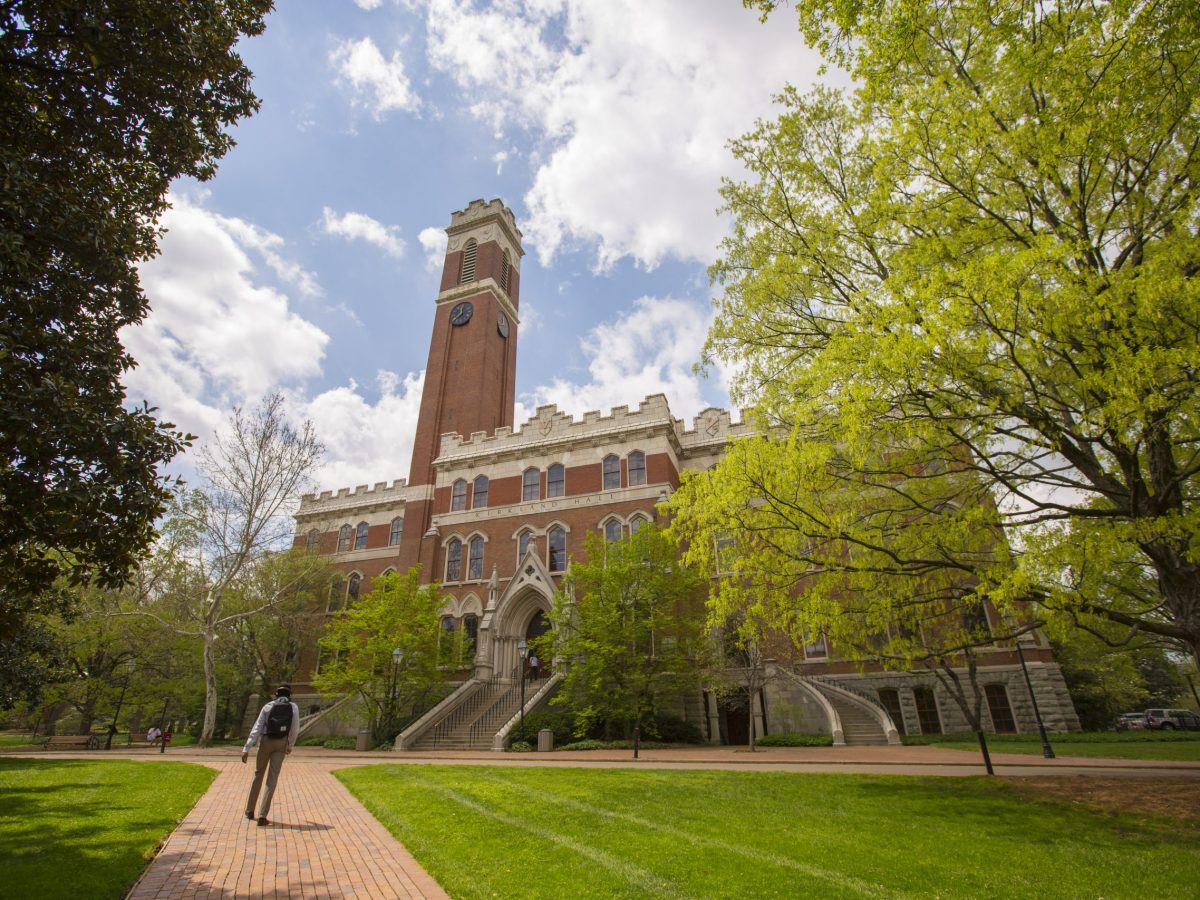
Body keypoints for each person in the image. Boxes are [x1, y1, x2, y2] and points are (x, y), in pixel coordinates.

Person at [241, 685, 300, 826]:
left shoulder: (268, 706)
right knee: (272, 778)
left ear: (276, 695)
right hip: (281, 743)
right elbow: (294, 729)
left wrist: (247, 747)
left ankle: (250, 810)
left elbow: (257, 727)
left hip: (266, 741)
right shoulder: (293, 707)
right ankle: (263, 815)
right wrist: (290, 745)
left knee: (258, 774)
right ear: (289, 695)